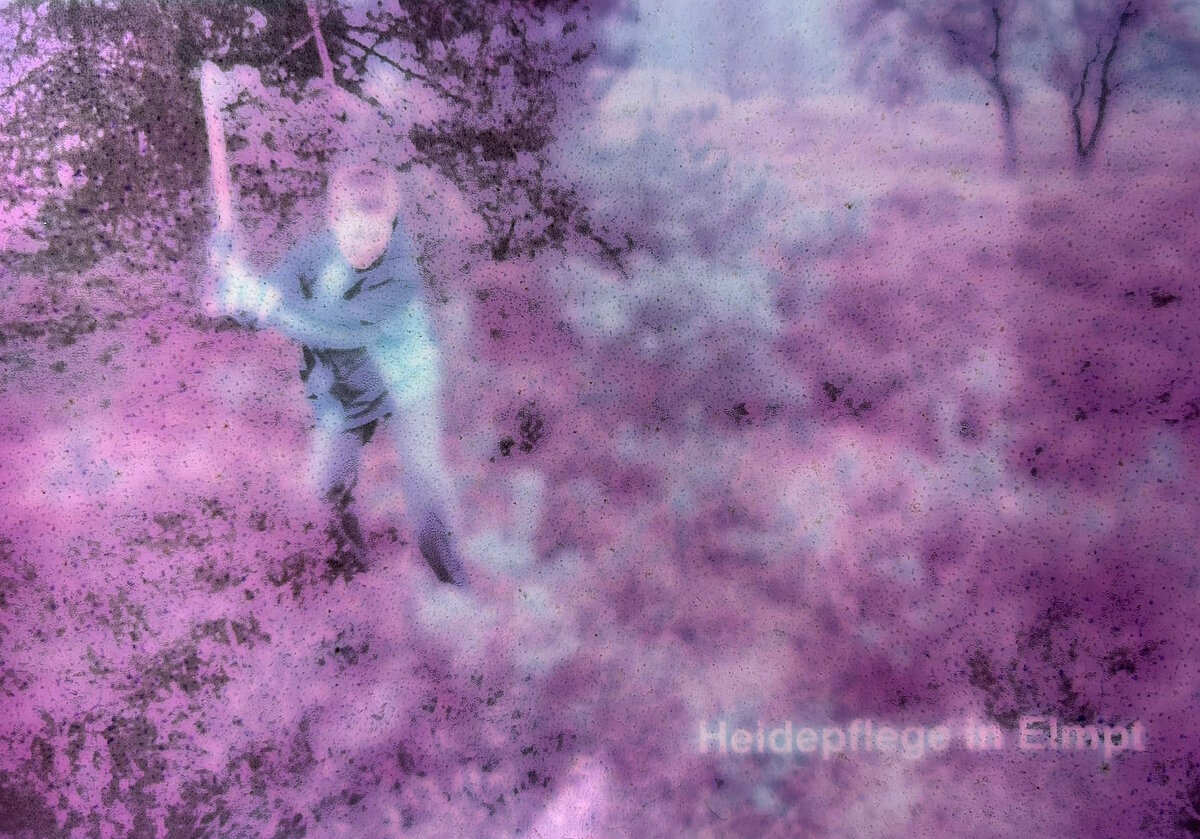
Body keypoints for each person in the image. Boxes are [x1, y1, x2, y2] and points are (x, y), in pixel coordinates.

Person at [208, 158, 468, 587]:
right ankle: (352, 574)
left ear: (392, 221)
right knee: (325, 487)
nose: (369, 245)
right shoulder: (315, 255)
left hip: (407, 383)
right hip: (346, 389)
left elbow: (340, 331)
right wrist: (232, 281)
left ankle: (451, 577)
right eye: (357, 232)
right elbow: (266, 302)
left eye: (379, 232)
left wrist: (265, 305)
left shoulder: (401, 273)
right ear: (334, 220)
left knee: (424, 477)